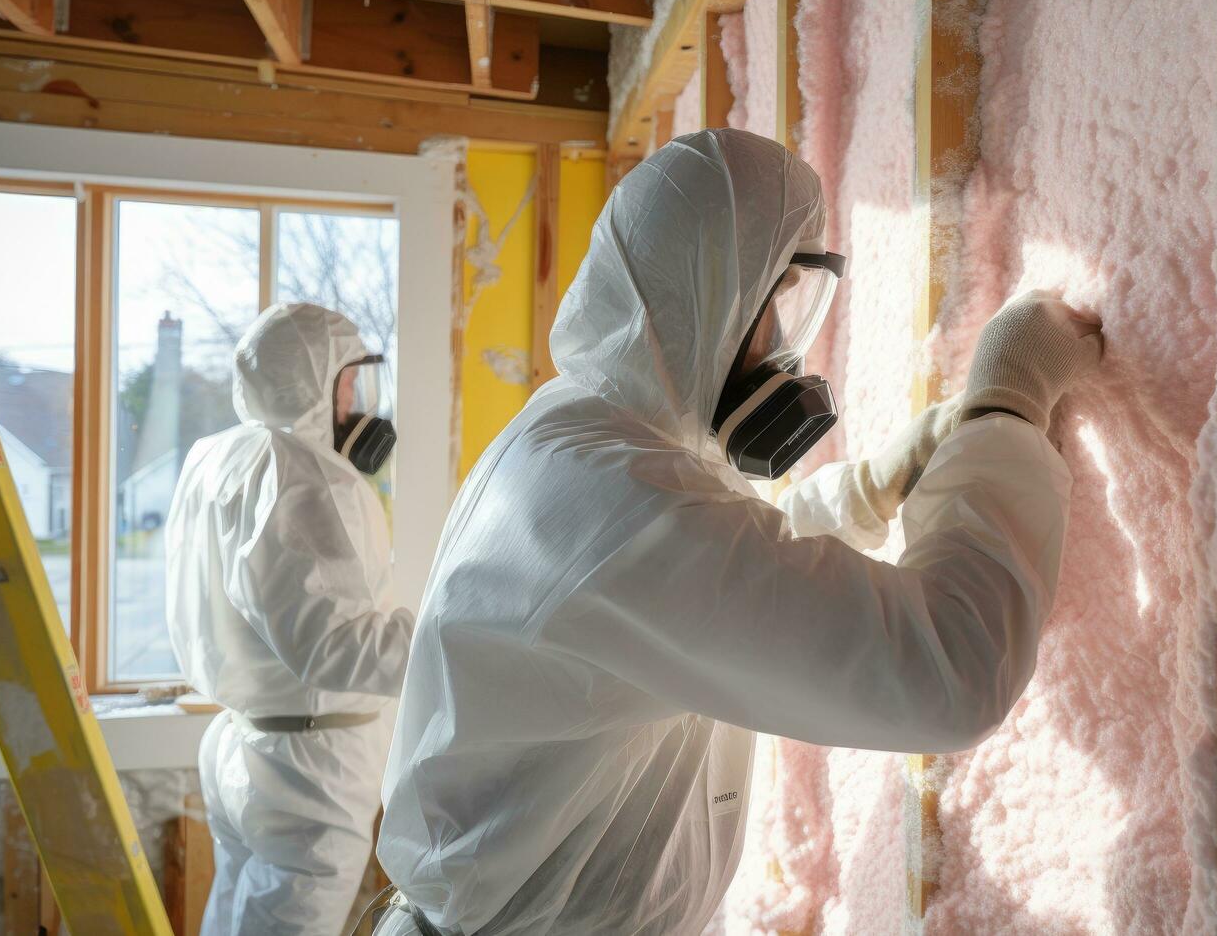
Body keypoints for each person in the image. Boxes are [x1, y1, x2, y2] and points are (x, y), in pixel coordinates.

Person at [373, 129, 1102, 935]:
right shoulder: (605, 499)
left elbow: (718, 569)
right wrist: (1008, 404)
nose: (783, 350)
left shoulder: (593, 444)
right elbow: (946, 670)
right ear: (706, 293)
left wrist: (868, 490)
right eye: (776, 304)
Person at [165, 301, 414, 935]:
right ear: (312, 382)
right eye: (349, 381)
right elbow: (335, 646)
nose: (359, 401)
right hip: (310, 767)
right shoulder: (300, 475)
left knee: (234, 920)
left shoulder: (219, 455)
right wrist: (455, 636)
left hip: (246, 744)